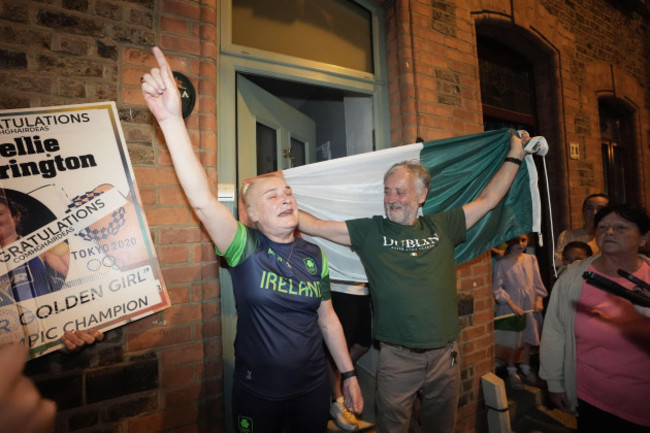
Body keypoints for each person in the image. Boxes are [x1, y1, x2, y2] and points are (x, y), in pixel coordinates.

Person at [141, 46, 363, 433]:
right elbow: (202, 201)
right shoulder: (245, 247)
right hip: (258, 393)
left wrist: (348, 374)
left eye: (288, 193)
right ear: (253, 215)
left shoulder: (314, 254)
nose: (286, 198)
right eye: (272, 195)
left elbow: (327, 319)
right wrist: (172, 122)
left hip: (313, 389)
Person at [298, 133, 526, 433]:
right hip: (397, 359)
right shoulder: (371, 231)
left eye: (400, 192)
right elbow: (315, 225)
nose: (391, 199)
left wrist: (516, 154)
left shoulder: (443, 225)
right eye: (388, 191)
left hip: (446, 356)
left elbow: (489, 199)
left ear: (421, 196)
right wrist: (273, 196)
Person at [540, 204, 650, 432]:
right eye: (603, 226)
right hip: (592, 399)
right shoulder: (573, 278)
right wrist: (554, 382)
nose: (609, 232)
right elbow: (554, 332)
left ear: (644, 238)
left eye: (620, 227)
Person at [492, 234, 547, 389]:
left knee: (528, 337)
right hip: (512, 307)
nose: (520, 244)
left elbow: (537, 283)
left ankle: (526, 367)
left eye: (523, 240)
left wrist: (539, 299)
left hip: (529, 305)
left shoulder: (531, 259)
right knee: (513, 340)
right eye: (516, 241)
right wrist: (512, 305)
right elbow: (497, 288)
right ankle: (511, 370)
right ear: (509, 242)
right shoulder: (502, 264)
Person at [0, 192, 69, 303]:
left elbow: (71, 270)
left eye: (0, 214)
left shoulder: (40, 245)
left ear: (16, 217)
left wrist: (54, 244)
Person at [327, 281, 372, 431]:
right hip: (339, 288)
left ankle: (334, 380)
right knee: (338, 349)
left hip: (363, 289)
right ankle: (337, 401)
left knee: (363, 343)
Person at [553, 193, 609, 268]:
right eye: (589, 208)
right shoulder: (568, 235)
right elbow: (558, 263)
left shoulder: (611, 237)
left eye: (600, 208)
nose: (594, 212)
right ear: (583, 211)